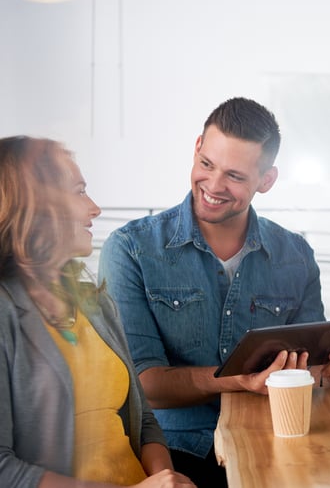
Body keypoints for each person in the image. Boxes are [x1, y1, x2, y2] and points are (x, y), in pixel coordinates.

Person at [98, 97, 330, 488]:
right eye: (206, 164)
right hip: (175, 454)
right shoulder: (130, 249)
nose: (213, 186)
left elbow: (309, 367)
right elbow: (144, 384)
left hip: (276, 443)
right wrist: (235, 381)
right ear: (196, 147)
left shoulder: (296, 255)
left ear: (267, 181)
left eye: (235, 177)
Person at [0, 136, 194, 487]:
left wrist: (166, 478)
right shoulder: (5, 314)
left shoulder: (96, 304)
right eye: (78, 192)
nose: (95, 208)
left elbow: (143, 420)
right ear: (35, 205)